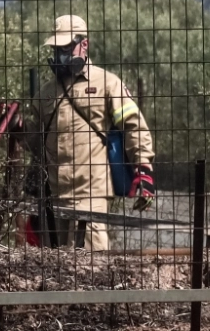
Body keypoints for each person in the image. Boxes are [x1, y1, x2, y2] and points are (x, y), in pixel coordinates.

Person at [23, 14, 155, 250]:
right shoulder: (45, 93)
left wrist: (143, 170)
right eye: (56, 48)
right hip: (53, 196)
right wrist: (16, 125)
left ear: (84, 44)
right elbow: (36, 142)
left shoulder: (108, 83)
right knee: (55, 272)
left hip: (91, 194)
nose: (60, 55)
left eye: (66, 47)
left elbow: (134, 126)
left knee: (92, 270)